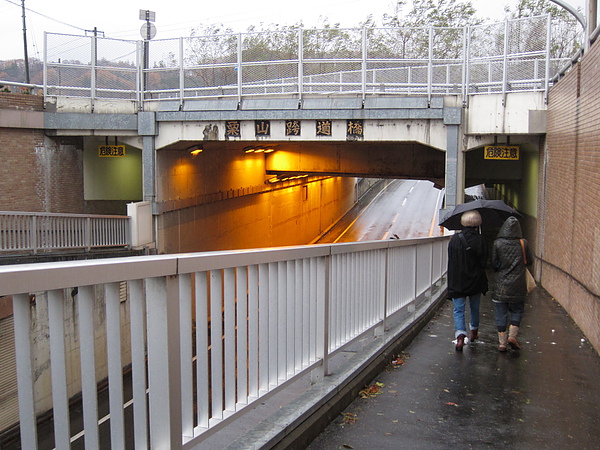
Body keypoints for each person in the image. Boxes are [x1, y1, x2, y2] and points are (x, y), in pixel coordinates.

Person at [447, 210, 489, 351]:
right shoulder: (481, 239)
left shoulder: (455, 239)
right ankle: (474, 332)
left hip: (458, 281)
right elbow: (484, 262)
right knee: (474, 307)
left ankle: (460, 337)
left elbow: (451, 261)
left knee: (458, 310)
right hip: (475, 280)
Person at [491, 216, 533, 351]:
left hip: (500, 285)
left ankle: (502, 343)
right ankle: (513, 336)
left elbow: (494, 264)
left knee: (500, 313)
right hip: (518, 284)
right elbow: (530, 261)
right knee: (517, 310)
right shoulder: (523, 243)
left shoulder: (498, 243)